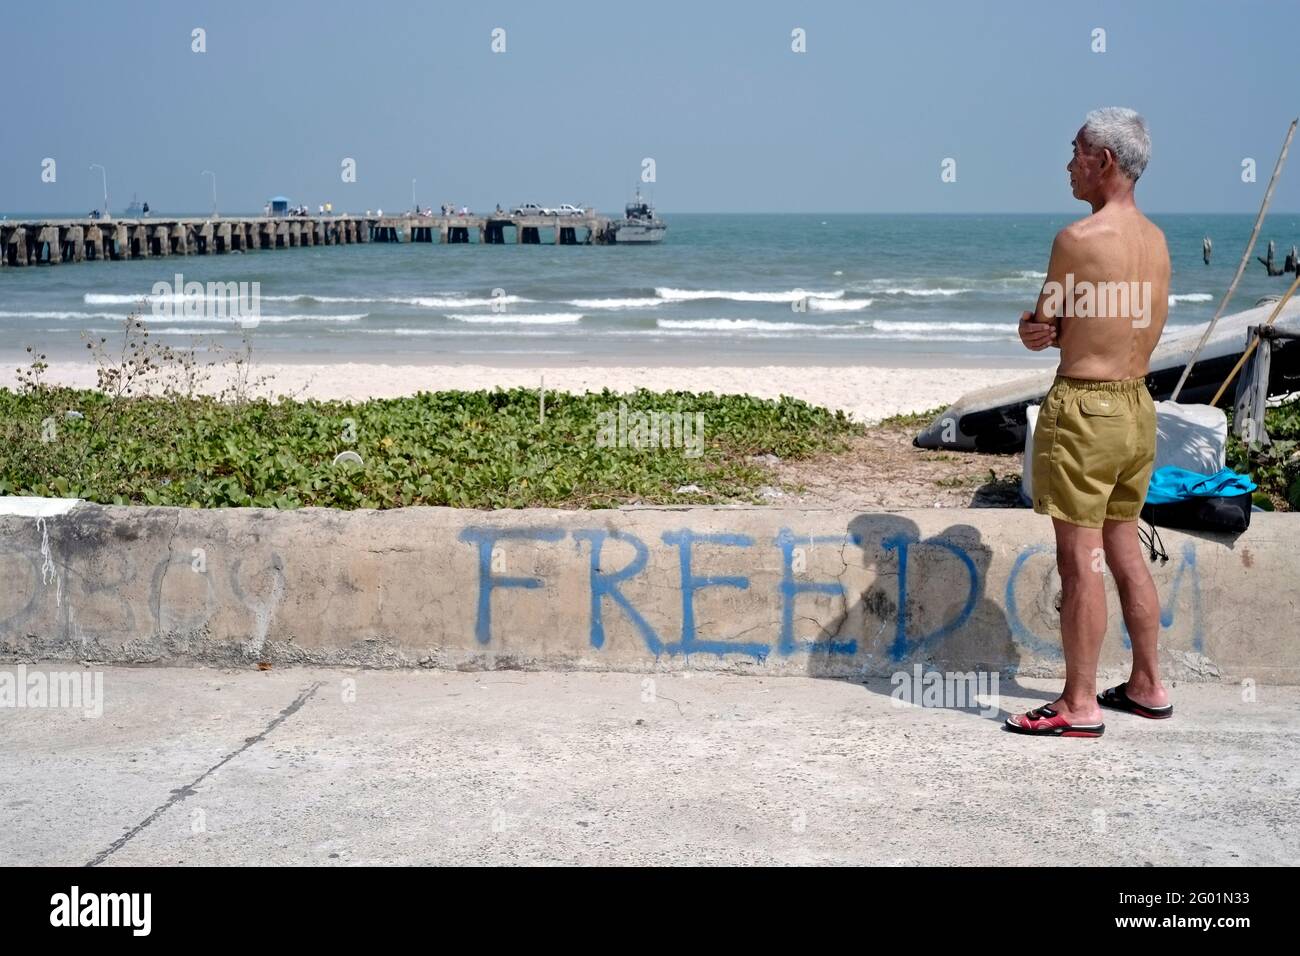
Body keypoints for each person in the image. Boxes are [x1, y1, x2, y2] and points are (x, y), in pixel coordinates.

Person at [1009, 107, 1172, 739]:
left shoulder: (1076, 239)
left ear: (1103, 161)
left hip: (1085, 409)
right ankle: (1148, 683)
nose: (1068, 164)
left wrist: (1033, 329)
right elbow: (1119, 321)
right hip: (1137, 407)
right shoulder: (1157, 240)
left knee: (1081, 564)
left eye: (1076, 151)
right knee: (1125, 547)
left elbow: (1050, 330)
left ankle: (1078, 704)